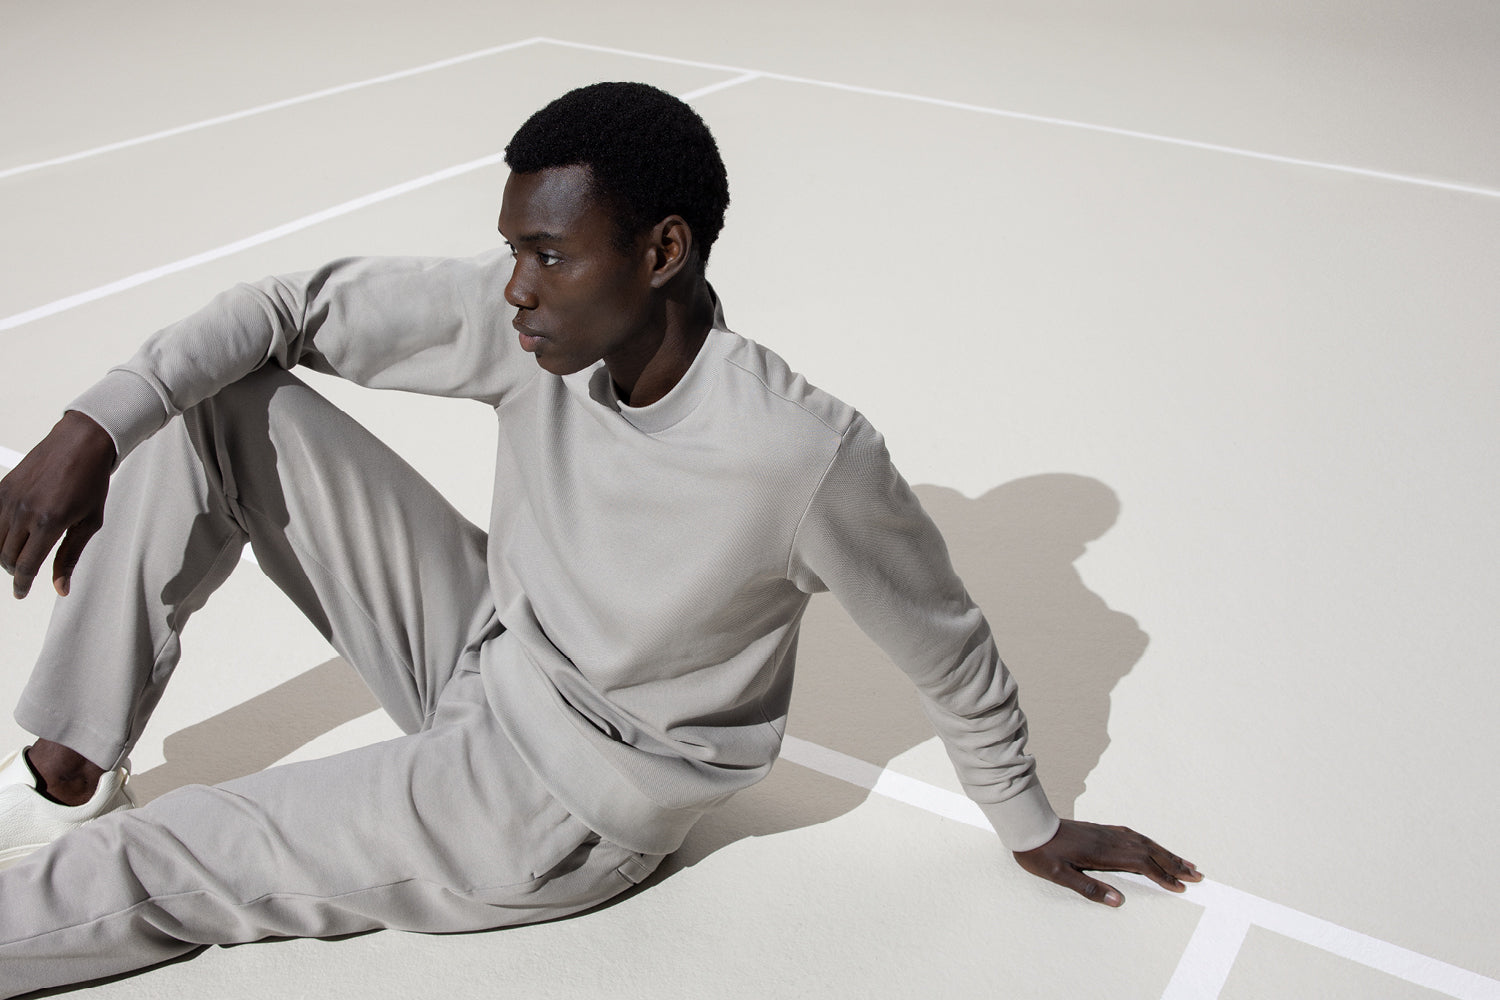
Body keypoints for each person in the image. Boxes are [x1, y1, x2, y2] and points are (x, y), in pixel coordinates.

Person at [0, 82, 1200, 995]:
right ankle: (68, 770)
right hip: (488, 649)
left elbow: (948, 642)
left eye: (548, 254)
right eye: (515, 249)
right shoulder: (537, 327)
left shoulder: (798, 454)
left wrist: (1030, 823)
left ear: (662, 252)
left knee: (175, 854)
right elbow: (280, 310)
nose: (514, 287)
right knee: (212, 402)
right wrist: (88, 431)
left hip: (553, 800)